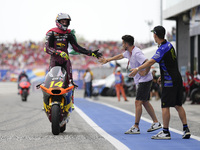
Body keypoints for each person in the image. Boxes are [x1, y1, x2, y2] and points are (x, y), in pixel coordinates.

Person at [129, 25, 191, 140]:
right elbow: (169, 63)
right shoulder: (169, 45)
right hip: (177, 78)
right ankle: (186, 129)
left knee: (165, 106)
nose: (153, 35)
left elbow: (151, 62)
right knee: (178, 105)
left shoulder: (161, 48)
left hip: (170, 81)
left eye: (154, 34)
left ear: (155, 35)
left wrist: (137, 69)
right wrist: (162, 76)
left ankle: (166, 132)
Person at [99, 35, 161, 134]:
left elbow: (148, 62)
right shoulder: (129, 52)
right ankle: (156, 122)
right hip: (140, 80)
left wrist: (144, 72)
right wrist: (107, 60)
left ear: (127, 44)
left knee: (138, 102)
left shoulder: (136, 52)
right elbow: (120, 56)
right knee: (144, 102)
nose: (122, 44)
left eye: (123, 43)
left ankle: (136, 126)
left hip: (144, 80)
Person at [45, 13, 102, 87]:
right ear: (58, 22)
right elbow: (47, 48)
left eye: (66, 22)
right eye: (63, 22)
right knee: (50, 82)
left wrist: (90, 53)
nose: (65, 23)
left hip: (65, 60)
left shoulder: (69, 34)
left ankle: (69, 97)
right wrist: (58, 52)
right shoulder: (51, 33)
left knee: (70, 82)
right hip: (54, 60)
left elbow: (77, 48)